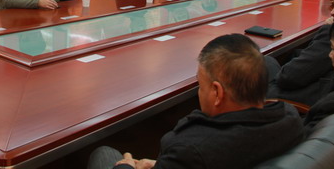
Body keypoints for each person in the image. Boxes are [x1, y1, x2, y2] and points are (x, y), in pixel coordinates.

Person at [87, 34, 304, 169]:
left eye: (201, 85)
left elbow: (194, 157)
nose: (199, 92)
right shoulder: (290, 117)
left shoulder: (191, 150)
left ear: (217, 92)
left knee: (103, 154)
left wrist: (126, 166)